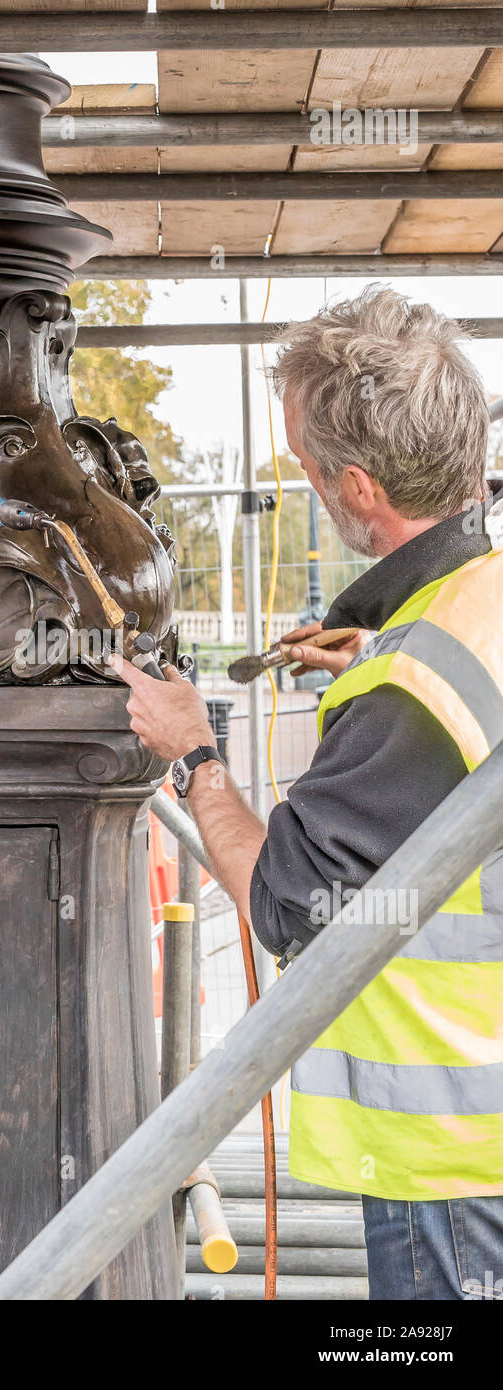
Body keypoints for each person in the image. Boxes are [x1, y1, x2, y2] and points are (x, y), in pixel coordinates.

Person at [111, 286, 503, 1301]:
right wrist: (381, 663)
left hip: (454, 1160)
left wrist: (194, 753)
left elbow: (287, 900)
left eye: (309, 465)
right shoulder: (471, 608)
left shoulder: (411, 688)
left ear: (361, 487)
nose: (306, 480)